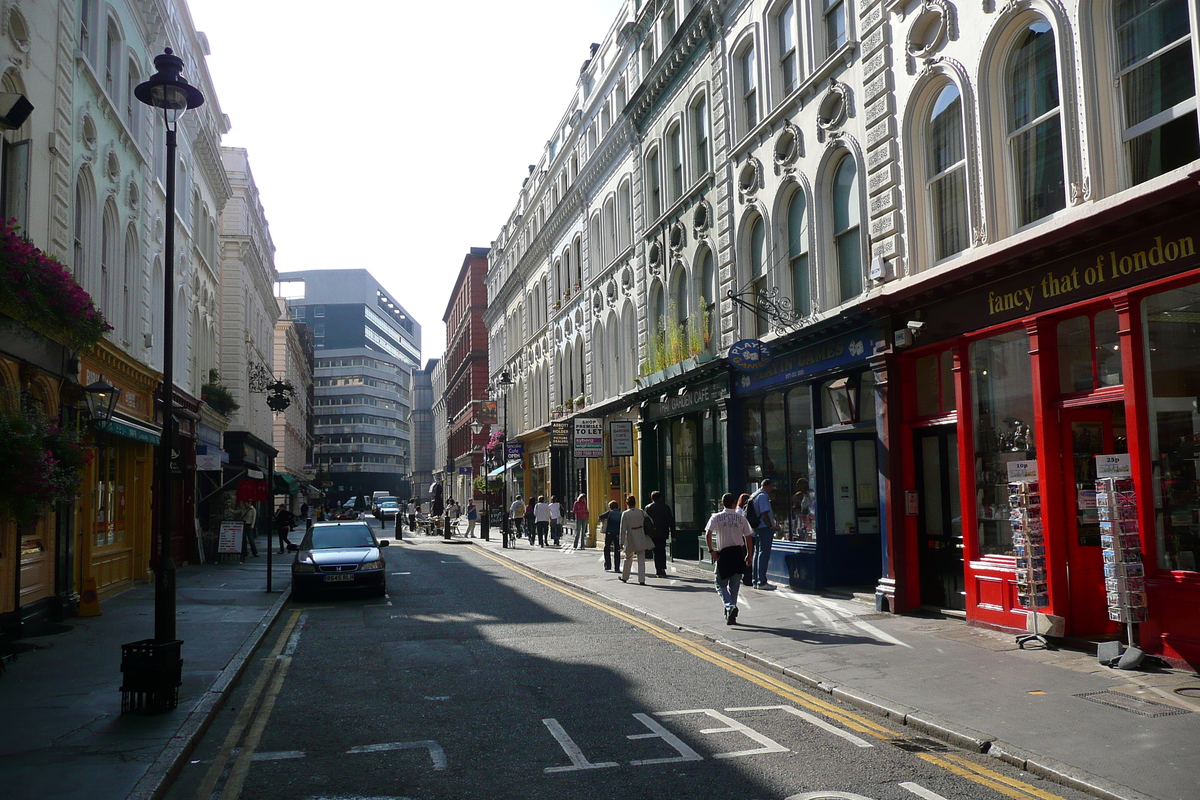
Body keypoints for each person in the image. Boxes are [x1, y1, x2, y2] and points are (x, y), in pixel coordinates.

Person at [706, 492, 755, 624]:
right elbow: (748, 537)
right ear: (734, 504)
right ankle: (730, 615)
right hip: (738, 553)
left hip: (724, 554)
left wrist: (711, 551)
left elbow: (708, 533)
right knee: (734, 586)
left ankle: (730, 606)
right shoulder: (741, 518)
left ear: (722, 504)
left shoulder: (716, 517)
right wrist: (749, 555)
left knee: (720, 584)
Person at [747, 479, 777, 589]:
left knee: (757, 553)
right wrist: (770, 526)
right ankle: (762, 582)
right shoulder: (763, 496)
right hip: (764, 527)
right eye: (771, 486)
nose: (772, 489)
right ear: (768, 486)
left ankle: (755, 580)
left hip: (756, 527)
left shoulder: (754, 495)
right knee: (764, 554)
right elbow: (764, 513)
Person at [619, 495, 652, 584]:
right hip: (641, 536)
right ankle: (642, 579)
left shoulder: (625, 514)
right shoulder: (641, 512)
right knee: (641, 559)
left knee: (628, 557)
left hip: (630, 537)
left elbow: (622, 529)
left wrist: (621, 542)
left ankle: (625, 577)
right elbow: (649, 521)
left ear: (627, 503)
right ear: (635, 503)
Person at [644, 490, 676, 579]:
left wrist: (645, 533)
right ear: (660, 498)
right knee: (662, 550)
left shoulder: (648, 507)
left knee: (656, 551)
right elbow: (670, 521)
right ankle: (662, 568)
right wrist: (673, 533)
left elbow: (645, 521)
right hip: (663, 532)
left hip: (653, 533)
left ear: (651, 498)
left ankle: (658, 570)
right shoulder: (666, 507)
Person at [598, 500, 622, 572]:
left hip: (609, 532)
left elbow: (600, 517)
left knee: (607, 548)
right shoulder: (621, 513)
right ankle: (617, 567)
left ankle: (608, 565)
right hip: (617, 532)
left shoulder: (609, 513)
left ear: (610, 507)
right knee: (617, 549)